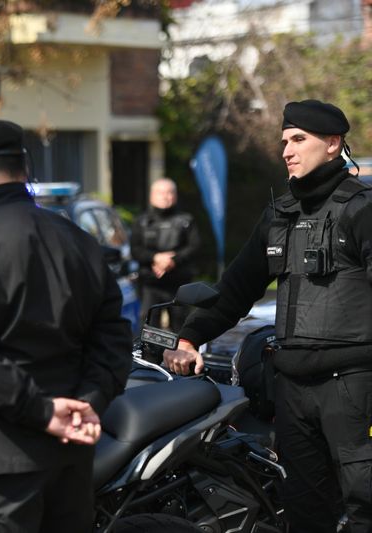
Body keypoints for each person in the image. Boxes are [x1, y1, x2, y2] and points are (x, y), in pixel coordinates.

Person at [163, 100, 372, 532]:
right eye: (284, 141)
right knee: (302, 513)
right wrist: (188, 337)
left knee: (365, 505)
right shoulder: (280, 215)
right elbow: (236, 289)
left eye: (299, 140)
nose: (286, 151)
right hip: (292, 391)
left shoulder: (361, 209)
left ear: (333, 144)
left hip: (354, 387)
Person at [0, 119, 133, 531]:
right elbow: (113, 336)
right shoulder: (78, 241)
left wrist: (40, 411)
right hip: (70, 458)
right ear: (23, 170)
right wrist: (89, 401)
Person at [131, 178, 200, 333]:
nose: (165, 196)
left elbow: (194, 247)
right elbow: (135, 250)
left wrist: (173, 261)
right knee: (148, 331)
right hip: (150, 283)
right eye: (160, 192)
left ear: (175, 195)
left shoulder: (186, 221)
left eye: (169, 192)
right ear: (151, 196)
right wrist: (156, 258)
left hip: (179, 283)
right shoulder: (141, 221)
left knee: (181, 329)